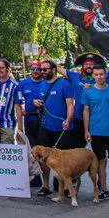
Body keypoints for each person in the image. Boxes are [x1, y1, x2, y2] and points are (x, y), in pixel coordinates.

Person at [82, 65, 109, 204]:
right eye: (96, 74)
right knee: (100, 162)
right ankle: (104, 190)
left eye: (102, 74)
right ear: (93, 76)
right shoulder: (88, 92)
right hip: (96, 132)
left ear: (106, 75)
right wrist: (86, 130)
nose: (99, 77)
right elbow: (86, 111)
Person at [35, 58, 76, 197]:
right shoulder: (41, 85)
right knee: (43, 158)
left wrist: (68, 120)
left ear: (53, 70)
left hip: (62, 127)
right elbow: (40, 101)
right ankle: (46, 185)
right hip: (45, 126)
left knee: (62, 159)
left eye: (45, 69)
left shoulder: (64, 84)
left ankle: (65, 188)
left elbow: (70, 104)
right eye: (41, 69)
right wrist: (36, 103)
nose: (42, 72)